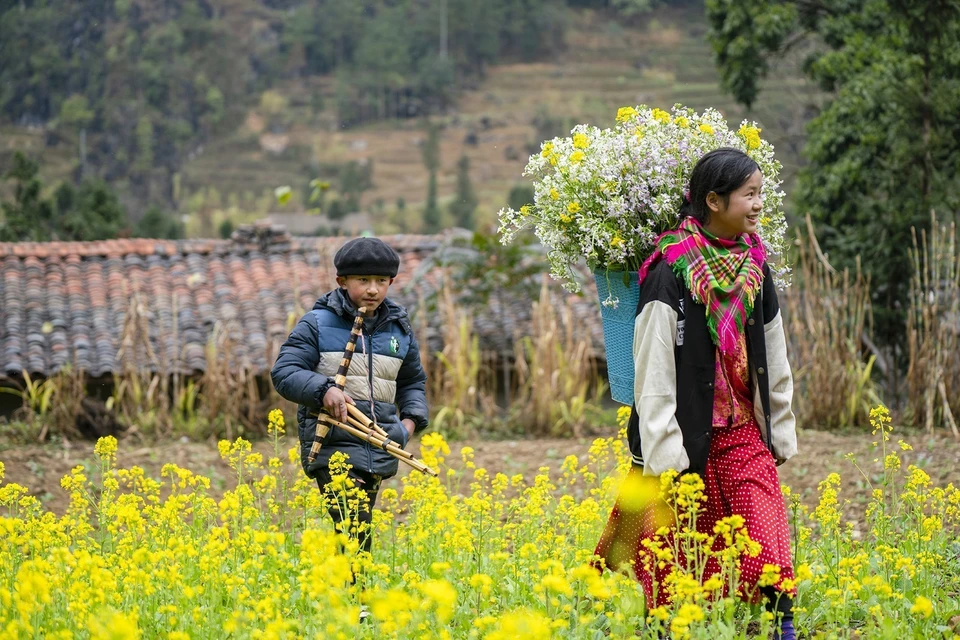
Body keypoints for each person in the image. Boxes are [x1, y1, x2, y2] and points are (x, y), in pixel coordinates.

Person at [594, 148, 798, 640]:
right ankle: (670, 629)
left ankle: (781, 626)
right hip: (684, 437)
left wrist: (779, 428)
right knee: (676, 555)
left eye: (760, 195)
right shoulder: (669, 272)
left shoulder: (755, 266)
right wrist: (663, 449)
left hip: (743, 430)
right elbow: (654, 367)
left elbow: (774, 352)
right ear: (713, 200)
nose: (757, 205)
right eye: (749, 195)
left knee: (765, 534)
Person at [271, 236, 429, 557]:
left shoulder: (398, 330)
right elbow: (284, 372)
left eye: (381, 281)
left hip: (379, 443)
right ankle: (359, 601)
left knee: (357, 530)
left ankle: (349, 597)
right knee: (354, 525)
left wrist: (407, 426)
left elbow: (413, 382)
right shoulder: (316, 323)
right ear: (342, 281)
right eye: (363, 280)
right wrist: (324, 389)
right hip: (333, 445)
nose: (373, 289)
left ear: (391, 282)